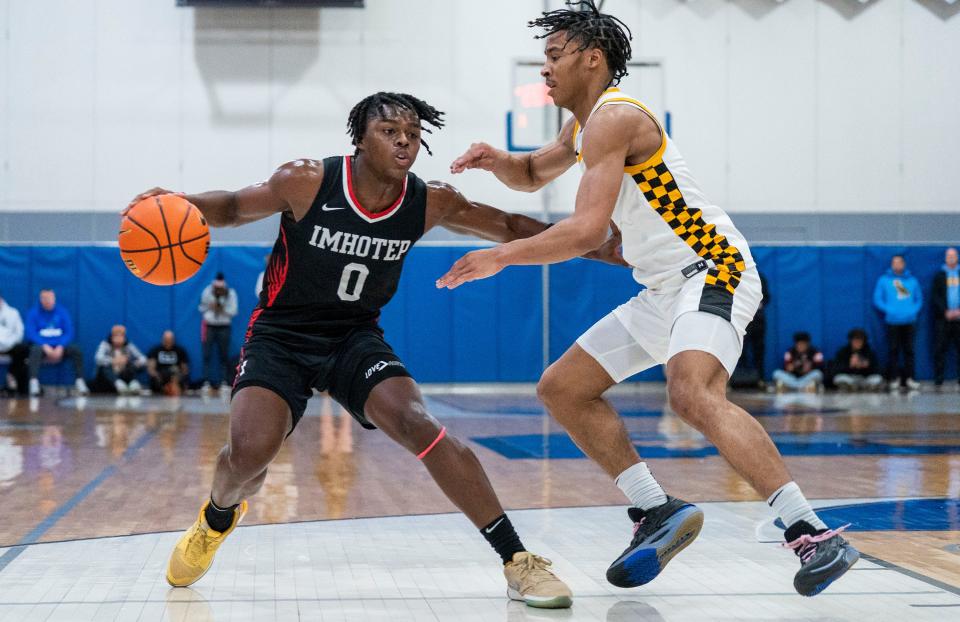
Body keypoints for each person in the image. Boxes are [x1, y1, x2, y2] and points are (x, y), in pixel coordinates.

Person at [125, 92, 624, 608]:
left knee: (418, 424)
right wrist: (178, 202)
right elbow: (230, 207)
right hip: (281, 334)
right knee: (250, 454)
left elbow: (512, 227)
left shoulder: (430, 200)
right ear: (360, 139)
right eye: (390, 131)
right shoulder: (307, 180)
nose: (404, 140)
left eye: (412, 132)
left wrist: (596, 244)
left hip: (353, 337)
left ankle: (517, 561)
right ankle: (216, 518)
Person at [437, 1, 858, 597]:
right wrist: (498, 160)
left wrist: (500, 256)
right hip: (664, 288)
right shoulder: (584, 127)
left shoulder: (615, 117)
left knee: (690, 391)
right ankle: (655, 511)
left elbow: (587, 231)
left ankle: (811, 532)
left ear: (592, 58)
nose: (545, 70)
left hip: (713, 268)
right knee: (562, 388)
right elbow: (532, 173)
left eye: (555, 57)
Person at [24, 289, 89, 397]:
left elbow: (69, 332)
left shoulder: (62, 312)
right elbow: (30, 333)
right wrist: (44, 345)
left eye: (49, 298)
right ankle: (34, 383)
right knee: (34, 350)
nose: (47, 301)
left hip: (60, 347)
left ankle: (80, 381)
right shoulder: (33, 313)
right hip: (42, 347)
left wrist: (60, 346)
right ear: (40, 299)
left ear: (54, 299)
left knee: (76, 350)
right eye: (44, 298)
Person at [873, 254, 922, 391]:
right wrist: (890, 310)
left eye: (899, 262)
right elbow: (877, 299)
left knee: (909, 351)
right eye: (894, 262)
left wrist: (912, 311)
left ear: (904, 264)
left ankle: (910, 379)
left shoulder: (912, 281)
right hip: (892, 321)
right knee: (893, 350)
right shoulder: (884, 280)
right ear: (891, 265)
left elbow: (919, 300)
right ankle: (894, 379)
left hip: (909, 320)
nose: (897, 265)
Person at [198, 273, 238, 392]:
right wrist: (211, 306)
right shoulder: (207, 291)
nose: (218, 290)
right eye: (216, 289)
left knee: (224, 355)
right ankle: (205, 381)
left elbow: (234, 311)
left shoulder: (230, 293)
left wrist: (222, 308)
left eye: (220, 289)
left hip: (224, 326)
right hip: (209, 326)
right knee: (207, 354)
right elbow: (201, 308)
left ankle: (224, 381)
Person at [93, 325, 147, 395]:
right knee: (104, 367)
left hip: (123, 372)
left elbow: (143, 358)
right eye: (116, 336)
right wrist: (113, 360)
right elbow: (98, 358)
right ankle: (118, 384)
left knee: (133, 365)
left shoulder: (128, 346)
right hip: (110, 373)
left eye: (121, 336)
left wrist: (135, 362)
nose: (118, 339)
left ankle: (133, 383)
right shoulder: (105, 344)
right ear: (111, 337)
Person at [933, 247, 960, 389]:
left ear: (957, 257)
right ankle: (939, 379)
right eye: (948, 256)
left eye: (953, 255)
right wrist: (945, 311)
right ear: (945, 258)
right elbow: (935, 296)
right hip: (943, 318)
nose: (951, 258)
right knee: (940, 349)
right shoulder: (939, 275)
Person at [146, 330, 190, 396]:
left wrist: (179, 378)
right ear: (163, 339)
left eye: (170, 339)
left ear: (173, 340)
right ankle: (166, 389)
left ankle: (174, 388)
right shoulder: (155, 350)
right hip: (161, 376)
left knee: (175, 371)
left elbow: (185, 369)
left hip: (175, 375)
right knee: (155, 380)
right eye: (166, 339)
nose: (168, 341)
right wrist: (158, 376)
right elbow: (151, 369)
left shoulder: (180, 351)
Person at [0, 293, 27, 394]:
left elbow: (19, 333)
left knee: (23, 349)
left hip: (10, 346)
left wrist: (8, 343)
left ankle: (11, 377)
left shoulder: (13, 313)